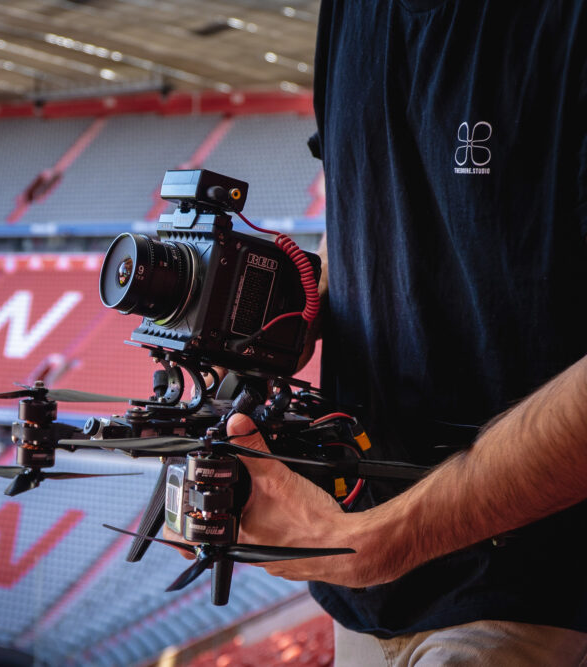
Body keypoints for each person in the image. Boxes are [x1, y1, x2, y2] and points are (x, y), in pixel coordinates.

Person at [223, 2, 587, 664]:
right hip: (359, 592)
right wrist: (299, 311)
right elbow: (357, 195)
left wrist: (383, 540)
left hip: (528, 602)